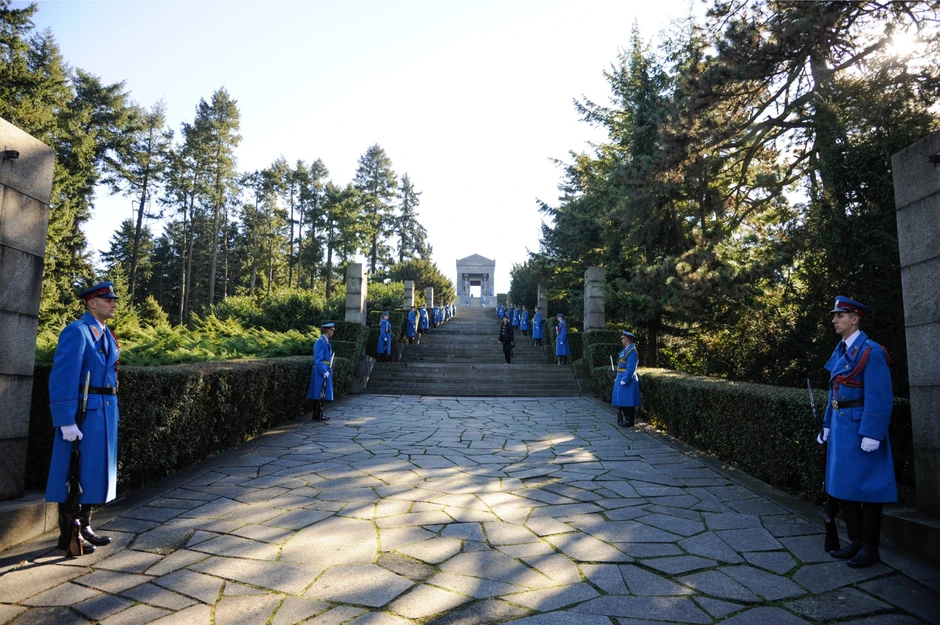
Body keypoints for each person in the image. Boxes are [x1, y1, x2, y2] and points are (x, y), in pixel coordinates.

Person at [817, 296, 896, 568]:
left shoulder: (871, 352)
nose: (834, 320)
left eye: (840, 315)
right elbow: (834, 393)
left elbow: (881, 395)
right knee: (844, 486)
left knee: (869, 490)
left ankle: (871, 548)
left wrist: (873, 432)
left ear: (855, 318)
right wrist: (827, 424)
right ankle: (855, 541)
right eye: (834, 315)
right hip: (841, 427)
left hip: (862, 429)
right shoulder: (842, 350)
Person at [46, 281, 120, 556]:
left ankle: (85, 525)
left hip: (104, 411)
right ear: (92, 302)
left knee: (91, 470)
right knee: (72, 471)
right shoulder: (77, 332)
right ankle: (68, 534)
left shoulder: (105, 333)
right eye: (107, 299)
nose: (113, 303)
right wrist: (66, 419)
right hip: (84, 413)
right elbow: (63, 376)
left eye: (113, 299)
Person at [612, 331, 641, 427]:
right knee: (622, 400)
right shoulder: (627, 350)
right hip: (621, 377)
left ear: (626, 339)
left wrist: (625, 379)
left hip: (627, 379)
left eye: (622, 339)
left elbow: (631, 367)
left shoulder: (632, 351)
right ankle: (626, 418)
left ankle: (629, 420)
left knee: (628, 401)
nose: (622, 341)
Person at [307, 322, 335, 422]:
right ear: (328, 331)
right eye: (332, 330)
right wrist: (323, 371)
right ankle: (317, 414)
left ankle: (319, 414)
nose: (333, 332)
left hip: (325, 369)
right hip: (321, 371)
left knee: (322, 393)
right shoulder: (320, 342)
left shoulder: (325, 341)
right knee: (319, 393)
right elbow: (318, 359)